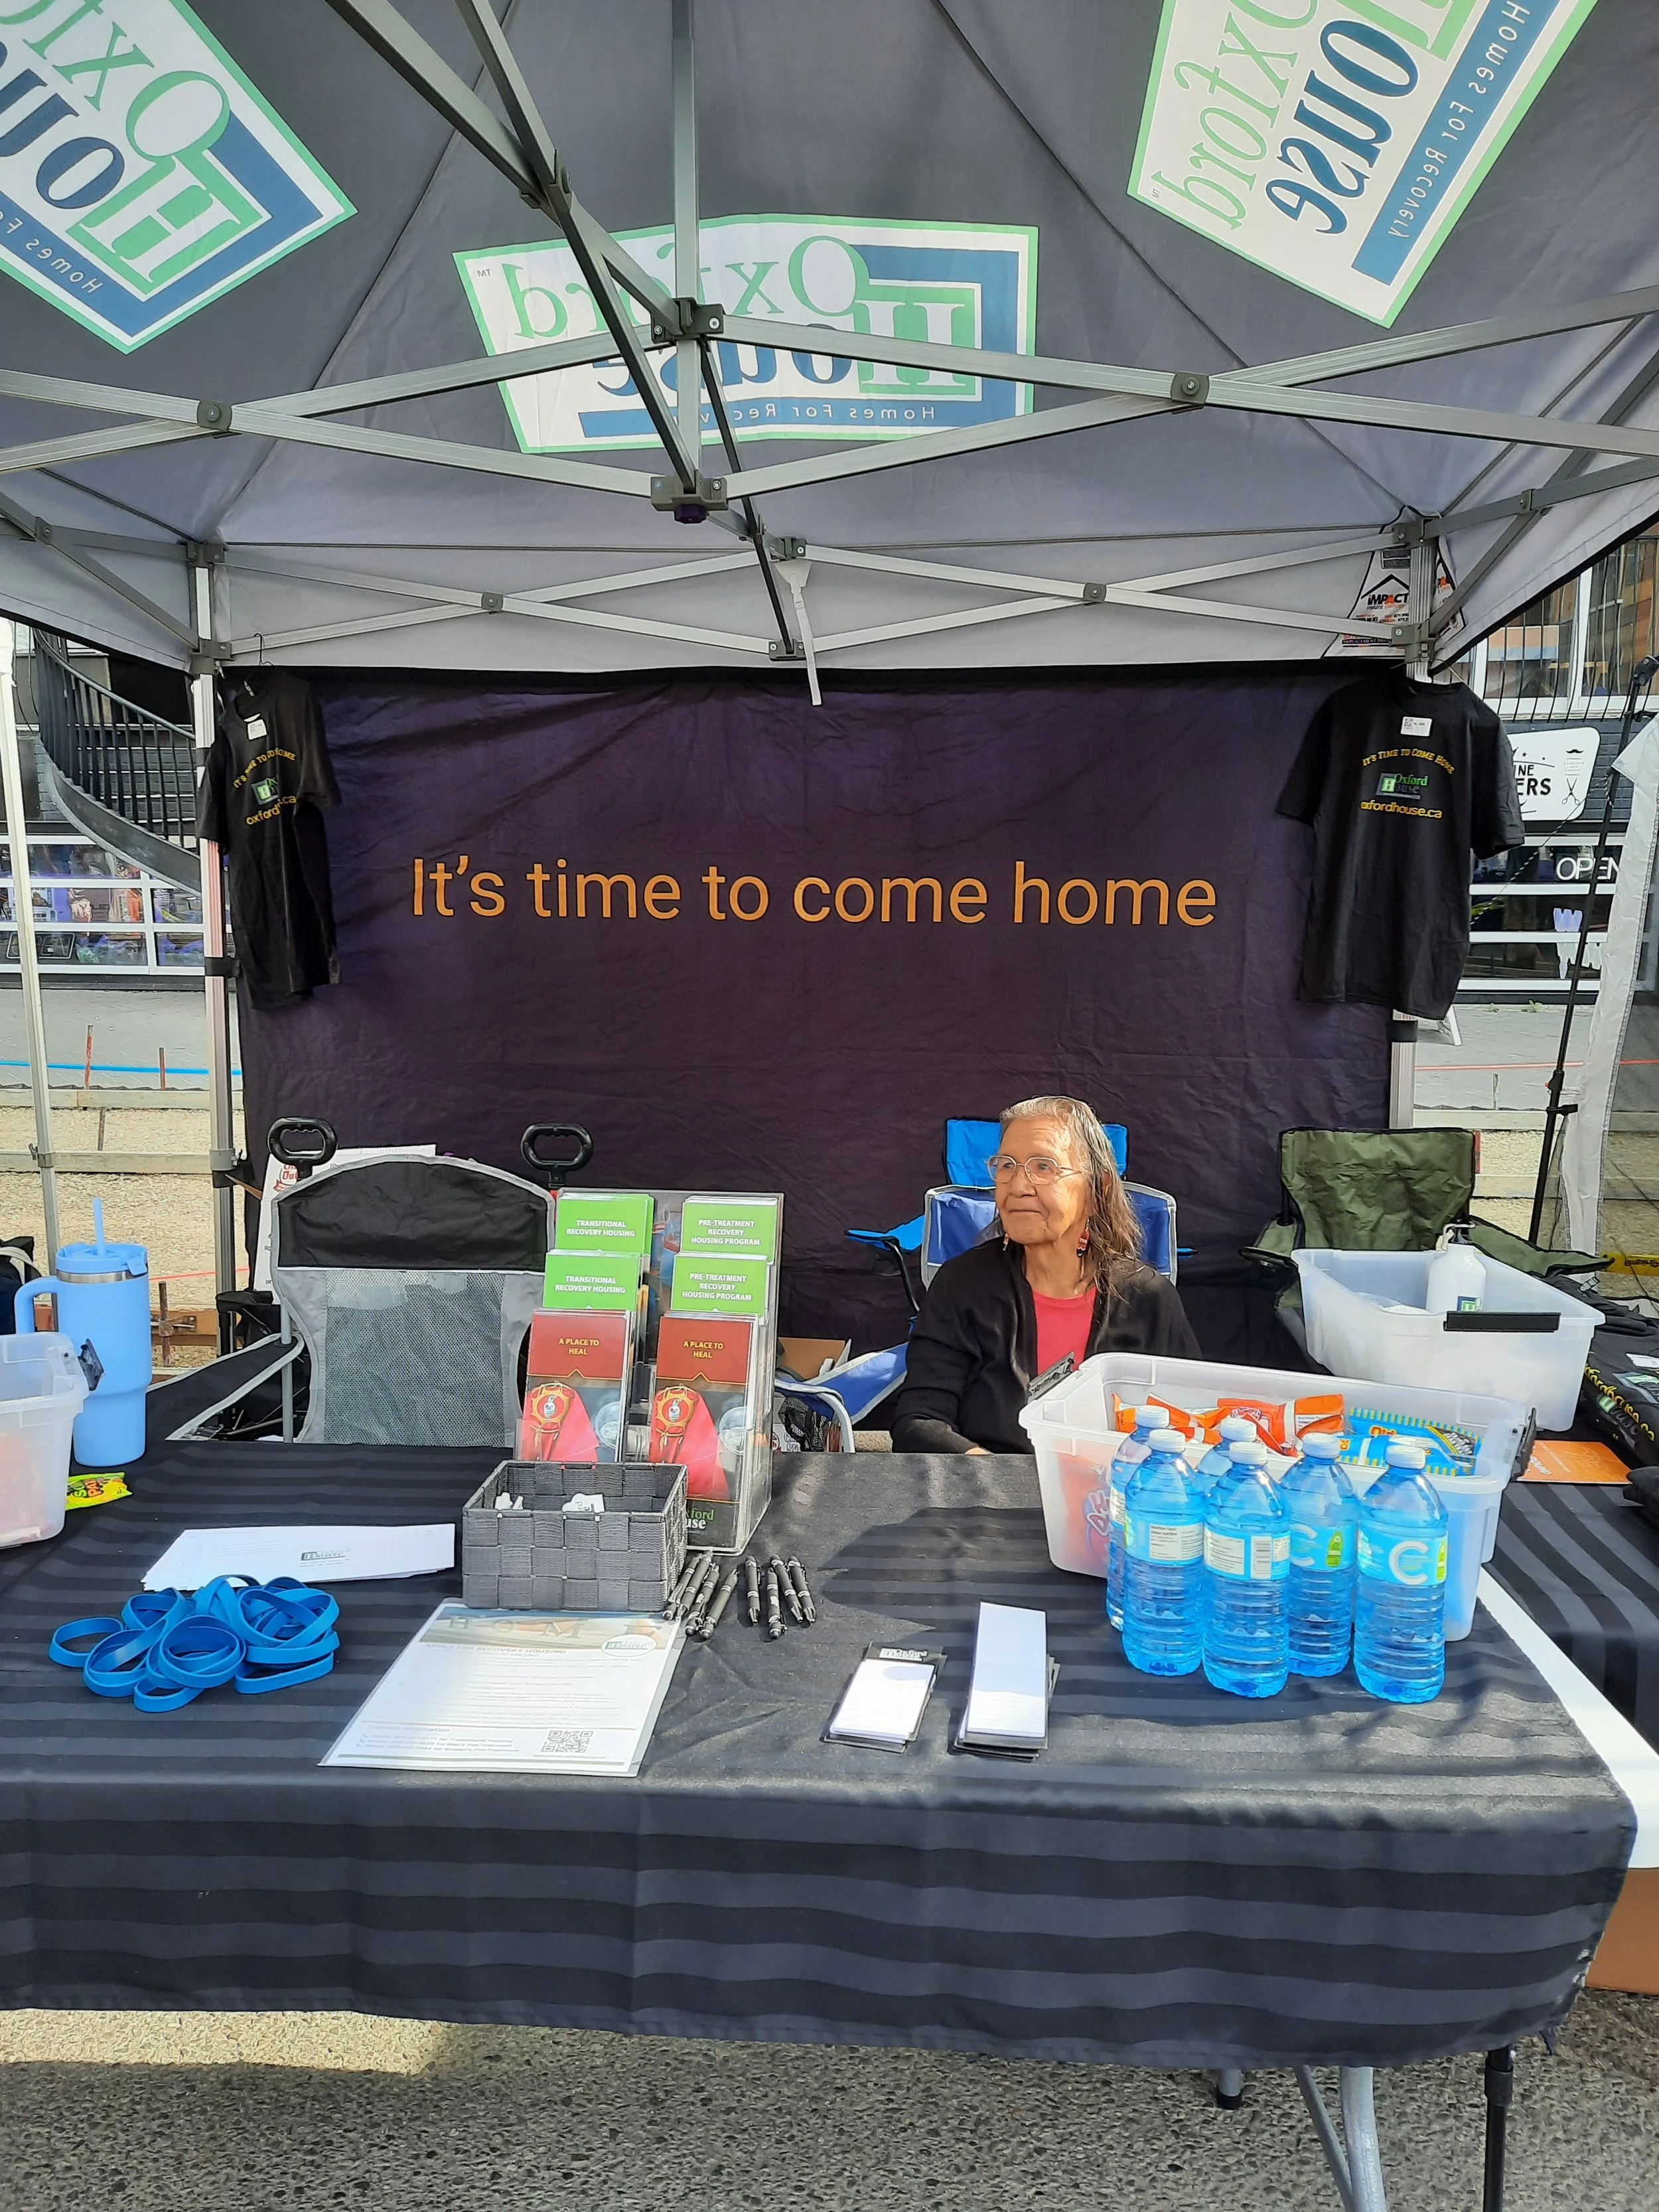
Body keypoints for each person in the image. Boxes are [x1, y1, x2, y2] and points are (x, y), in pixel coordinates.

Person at [889, 1094, 1198, 1455]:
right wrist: (996, 1474)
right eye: (1007, 1166)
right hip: (987, 1484)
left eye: (1043, 1167)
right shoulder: (962, 1286)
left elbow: (1190, 1422)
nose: (1018, 1186)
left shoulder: (1148, 1298)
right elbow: (920, 1422)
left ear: (1097, 1190)